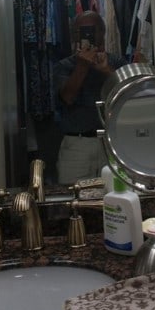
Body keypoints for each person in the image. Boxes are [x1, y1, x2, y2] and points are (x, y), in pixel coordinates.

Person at [53, 11, 128, 185]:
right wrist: (82, 66)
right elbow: (67, 98)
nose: (87, 35)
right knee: (73, 196)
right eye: (82, 31)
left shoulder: (116, 63)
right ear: (75, 36)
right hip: (77, 145)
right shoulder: (64, 66)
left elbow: (130, 96)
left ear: (102, 33)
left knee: (116, 193)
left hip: (113, 143)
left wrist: (107, 70)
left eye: (92, 30)